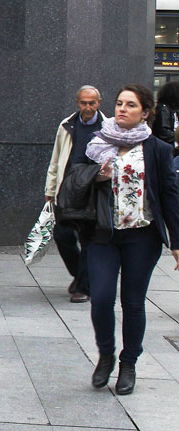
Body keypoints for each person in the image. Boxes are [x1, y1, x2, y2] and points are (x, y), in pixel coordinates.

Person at [83, 84, 179, 395]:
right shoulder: (97, 141)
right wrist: (96, 174)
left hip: (142, 238)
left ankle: (129, 363)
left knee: (133, 303)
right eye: (120, 103)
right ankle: (106, 355)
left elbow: (169, 195)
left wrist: (176, 242)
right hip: (102, 235)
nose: (122, 109)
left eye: (131, 105)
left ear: (145, 113)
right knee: (100, 298)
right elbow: (77, 177)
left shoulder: (158, 150)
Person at [43, 85, 106, 303]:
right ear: (77, 103)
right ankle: (80, 274)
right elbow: (56, 158)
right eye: (83, 103)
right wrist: (50, 190)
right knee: (62, 235)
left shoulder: (108, 127)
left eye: (92, 103)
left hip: (93, 191)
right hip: (68, 190)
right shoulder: (66, 125)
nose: (88, 107)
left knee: (89, 239)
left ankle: (83, 287)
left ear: (99, 102)